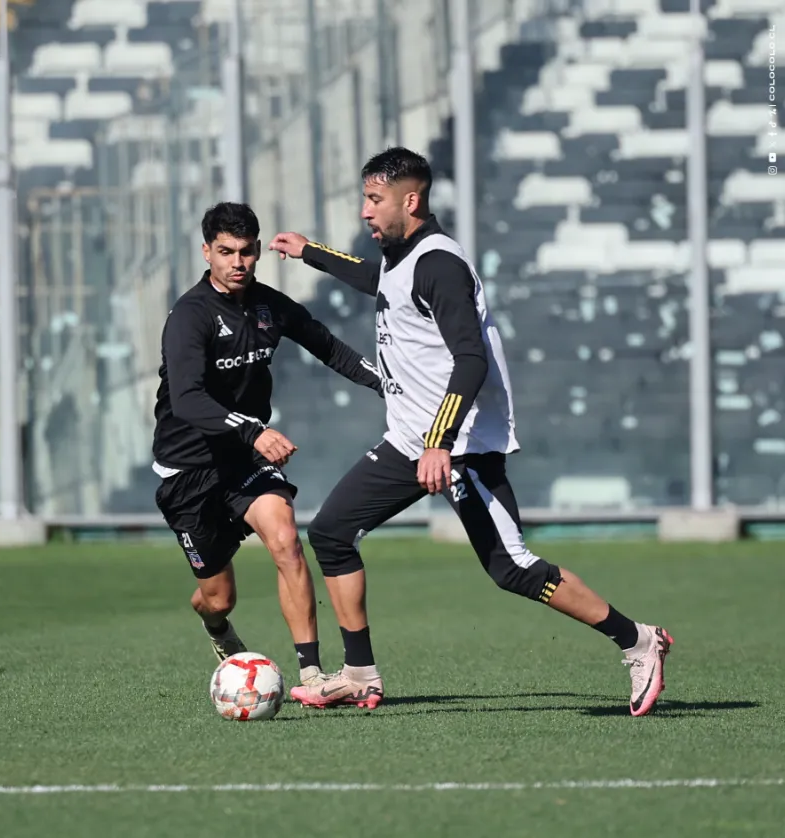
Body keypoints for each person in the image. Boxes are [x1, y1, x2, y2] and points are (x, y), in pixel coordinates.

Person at [268, 147, 674, 716]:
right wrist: (310, 251)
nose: (364, 210)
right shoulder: (398, 256)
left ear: (409, 200)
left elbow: (471, 361)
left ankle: (637, 640)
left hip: (460, 446)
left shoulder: (440, 264)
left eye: (374, 199)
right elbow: (375, 280)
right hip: (411, 440)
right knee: (332, 533)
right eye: (364, 197)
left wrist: (440, 442)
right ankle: (359, 673)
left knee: (512, 568)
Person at [152, 201, 382, 689]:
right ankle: (215, 626)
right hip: (188, 468)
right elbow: (189, 399)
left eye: (247, 252)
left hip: (243, 460)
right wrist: (255, 428)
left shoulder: (268, 305)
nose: (237, 262)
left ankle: (312, 674)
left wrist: (389, 385)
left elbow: (330, 347)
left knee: (286, 540)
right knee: (217, 597)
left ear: (258, 251)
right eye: (226, 252)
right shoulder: (188, 317)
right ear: (206, 252)